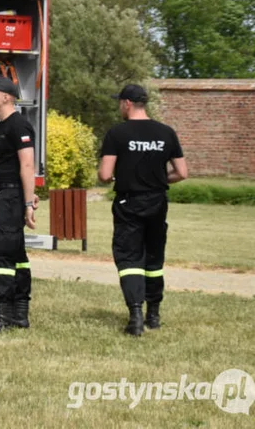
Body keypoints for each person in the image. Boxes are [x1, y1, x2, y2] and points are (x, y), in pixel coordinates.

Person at [98, 83, 188, 336]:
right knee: (154, 259)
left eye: (120, 103)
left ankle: (135, 314)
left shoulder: (117, 133)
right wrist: (158, 180)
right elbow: (182, 173)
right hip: (158, 202)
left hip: (129, 203)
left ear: (127, 103)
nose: (119, 107)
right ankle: (154, 315)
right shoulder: (166, 132)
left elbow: (105, 175)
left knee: (129, 259)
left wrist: (117, 176)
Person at [0, 75, 37, 333]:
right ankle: (19, 313)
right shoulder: (2, 126)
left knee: (1, 255)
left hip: (9, 198)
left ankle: (3, 315)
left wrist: (28, 203)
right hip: (5, 196)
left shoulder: (18, 125)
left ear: (6, 97)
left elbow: (27, 165)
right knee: (16, 255)